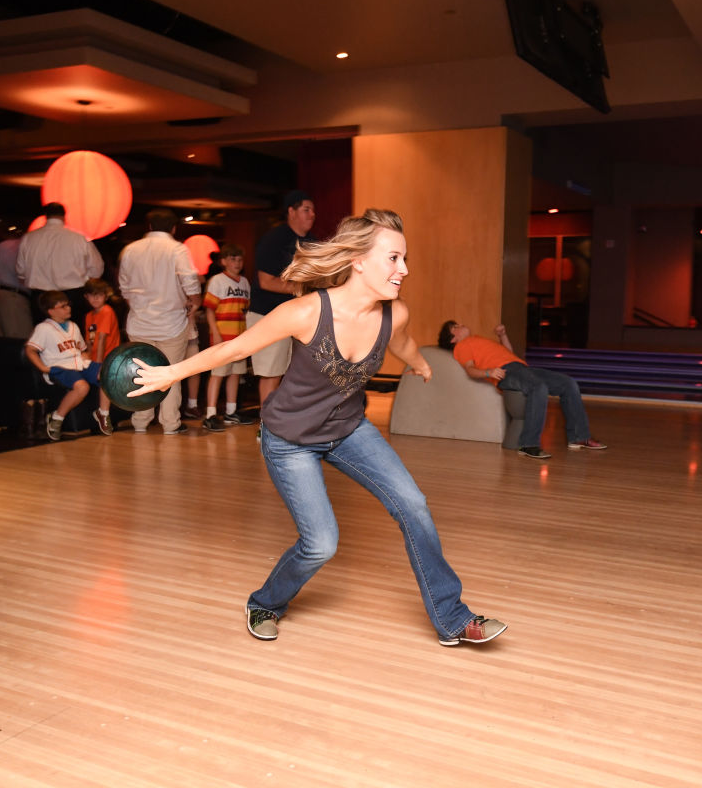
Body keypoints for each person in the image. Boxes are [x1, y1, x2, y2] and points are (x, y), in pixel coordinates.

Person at [128, 209, 507, 647]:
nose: (404, 269)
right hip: (290, 441)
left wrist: (419, 362)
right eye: (394, 258)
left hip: (349, 430)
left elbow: (398, 340)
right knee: (321, 543)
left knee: (414, 505)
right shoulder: (307, 311)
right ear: (359, 260)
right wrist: (170, 374)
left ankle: (453, 618)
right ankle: (265, 602)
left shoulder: (393, 312)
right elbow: (236, 346)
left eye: (405, 259)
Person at [437, 320, 606, 459]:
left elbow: (509, 353)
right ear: (453, 339)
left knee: (568, 383)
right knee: (538, 387)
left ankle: (578, 437)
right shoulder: (462, 346)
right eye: (455, 327)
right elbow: (470, 369)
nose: (461, 325)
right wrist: (489, 372)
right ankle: (528, 444)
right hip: (506, 373)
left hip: (520, 367)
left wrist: (502, 335)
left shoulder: (478, 339)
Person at [117, 208, 201, 435]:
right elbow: (189, 279)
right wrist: (195, 300)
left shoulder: (130, 250)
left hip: (139, 323)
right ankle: (170, 424)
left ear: (150, 227)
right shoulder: (177, 249)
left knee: (141, 373)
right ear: (174, 228)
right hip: (171, 323)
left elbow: (124, 286)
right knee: (170, 373)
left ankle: (141, 421)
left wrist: (137, 304)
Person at [248, 189, 315, 410]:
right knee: (271, 373)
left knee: (296, 374)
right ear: (291, 211)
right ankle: (266, 426)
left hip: (301, 317)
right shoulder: (274, 239)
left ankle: (286, 422)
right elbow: (266, 281)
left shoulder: (313, 243)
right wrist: (302, 289)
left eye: (313, 210)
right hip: (269, 315)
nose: (312, 214)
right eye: (306, 209)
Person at [26, 290, 113, 439]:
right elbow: (30, 350)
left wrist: (88, 360)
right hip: (60, 366)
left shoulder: (73, 326)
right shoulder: (44, 328)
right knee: (82, 387)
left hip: (79, 363)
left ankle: (102, 413)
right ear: (51, 311)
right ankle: (57, 417)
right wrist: (42, 368)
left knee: (108, 373)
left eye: (68, 305)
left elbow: (82, 349)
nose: (68, 308)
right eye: (63, 306)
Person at [16, 202, 104, 328]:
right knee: (72, 338)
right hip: (72, 295)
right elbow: (97, 269)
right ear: (64, 216)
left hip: (41, 297)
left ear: (45, 216)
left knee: (43, 338)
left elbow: (20, 271)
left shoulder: (29, 238)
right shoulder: (78, 238)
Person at [201, 243, 254, 432]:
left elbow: (246, 310)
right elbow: (209, 309)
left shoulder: (245, 282)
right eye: (232, 259)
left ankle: (231, 411)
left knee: (235, 373)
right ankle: (210, 414)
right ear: (223, 261)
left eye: (240, 259)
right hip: (222, 334)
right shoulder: (217, 280)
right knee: (217, 374)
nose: (237, 263)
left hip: (239, 336)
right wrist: (215, 331)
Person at [0, 228, 33, 339]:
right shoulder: (28, 248)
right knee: (19, 340)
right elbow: (25, 274)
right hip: (11, 297)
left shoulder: (4, 245)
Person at [82, 278, 121, 364]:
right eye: (92, 295)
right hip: (94, 358)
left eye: (99, 295)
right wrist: (89, 357)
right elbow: (89, 340)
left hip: (107, 359)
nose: (95, 298)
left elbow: (101, 339)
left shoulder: (107, 311)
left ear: (106, 296)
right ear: (86, 296)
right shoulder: (89, 316)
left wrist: (97, 365)